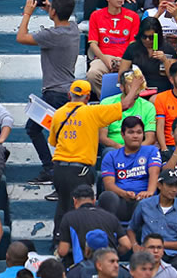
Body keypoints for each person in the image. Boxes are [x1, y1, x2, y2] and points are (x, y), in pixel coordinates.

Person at [49, 76, 144, 242]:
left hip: (59, 169)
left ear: (69, 95)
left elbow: (53, 141)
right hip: (79, 170)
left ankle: (58, 243)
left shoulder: (58, 113)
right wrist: (135, 86)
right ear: (87, 97)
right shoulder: (92, 112)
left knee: (62, 207)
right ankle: (74, 248)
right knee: (79, 211)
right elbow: (125, 105)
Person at [18, 0, 79, 188]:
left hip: (54, 94)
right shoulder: (74, 28)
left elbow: (21, 37)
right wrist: (49, 9)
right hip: (67, 92)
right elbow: (61, 17)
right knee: (59, 136)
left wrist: (28, 13)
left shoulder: (51, 35)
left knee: (33, 129)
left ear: (54, 11)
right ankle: (56, 172)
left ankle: (52, 171)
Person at [128, 169, 177, 275]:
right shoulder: (144, 205)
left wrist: (157, 245)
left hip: (173, 255)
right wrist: (135, 244)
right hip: (147, 254)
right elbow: (131, 228)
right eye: (170, 185)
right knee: (135, 269)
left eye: (176, 185)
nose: (174, 189)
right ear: (159, 185)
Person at [98, 116, 162, 221]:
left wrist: (149, 192)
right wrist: (124, 193)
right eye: (131, 132)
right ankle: (110, 232)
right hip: (121, 199)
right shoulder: (111, 156)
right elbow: (109, 185)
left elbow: (154, 173)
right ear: (123, 134)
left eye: (139, 132)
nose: (135, 136)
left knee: (145, 203)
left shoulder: (151, 151)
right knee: (107, 196)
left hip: (144, 199)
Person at [86, 0, 141, 96]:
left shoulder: (133, 16)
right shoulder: (96, 16)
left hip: (126, 58)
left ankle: (126, 101)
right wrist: (106, 59)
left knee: (138, 75)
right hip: (103, 58)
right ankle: (106, 101)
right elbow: (93, 43)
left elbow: (133, 43)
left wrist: (124, 61)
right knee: (92, 73)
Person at [117, 19, 176, 94]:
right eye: (144, 37)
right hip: (137, 90)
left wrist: (165, 61)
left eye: (151, 37)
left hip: (161, 91)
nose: (147, 40)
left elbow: (173, 78)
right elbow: (122, 74)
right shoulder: (133, 48)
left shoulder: (167, 49)